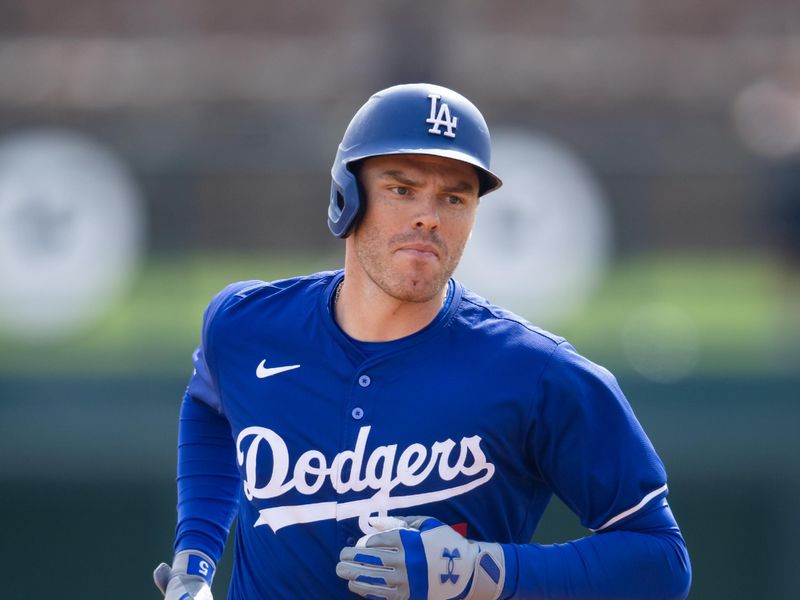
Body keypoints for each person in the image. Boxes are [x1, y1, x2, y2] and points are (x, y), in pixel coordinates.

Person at [154, 83, 691, 600]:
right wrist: (194, 562)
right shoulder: (246, 326)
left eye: (453, 197)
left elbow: (661, 560)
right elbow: (208, 403)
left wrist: (483, 572)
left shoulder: (537, 372)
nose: (428, 216)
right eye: (401, 188)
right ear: (348, 195)